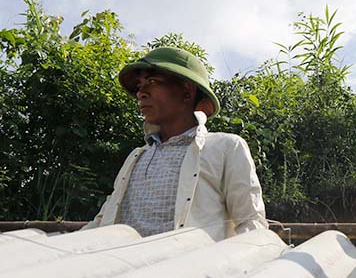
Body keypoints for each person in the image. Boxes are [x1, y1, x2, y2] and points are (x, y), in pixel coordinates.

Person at [83, 46, 268, 241]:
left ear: (187, 91)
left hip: (188, 269)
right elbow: (103, 221)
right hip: (122, 267)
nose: (141, 93)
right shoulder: (136, 157)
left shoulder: (225, 147)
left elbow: (250, 222)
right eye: (139, 86)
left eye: (152, 82)